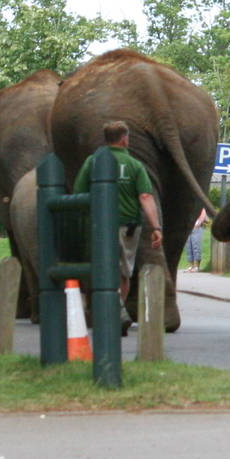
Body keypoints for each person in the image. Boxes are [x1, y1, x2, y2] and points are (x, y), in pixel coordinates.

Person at [72, 122, 163, 327]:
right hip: (128, 227)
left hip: (98, 226)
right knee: (123, 271)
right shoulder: (134, 165)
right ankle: (119, 309)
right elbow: (146, 196)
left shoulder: (92, 162)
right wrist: (156, 227)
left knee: (105, 267)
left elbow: (79, 193)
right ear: (124, 139)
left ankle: (112, 312)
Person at [185, 207, 207, 272]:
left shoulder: (199, 204)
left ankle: (197, 266)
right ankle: (191, 266)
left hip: (197, 227)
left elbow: (203, 214)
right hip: (188, 227)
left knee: (196, 246)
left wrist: (198, 223)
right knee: (188, 247)